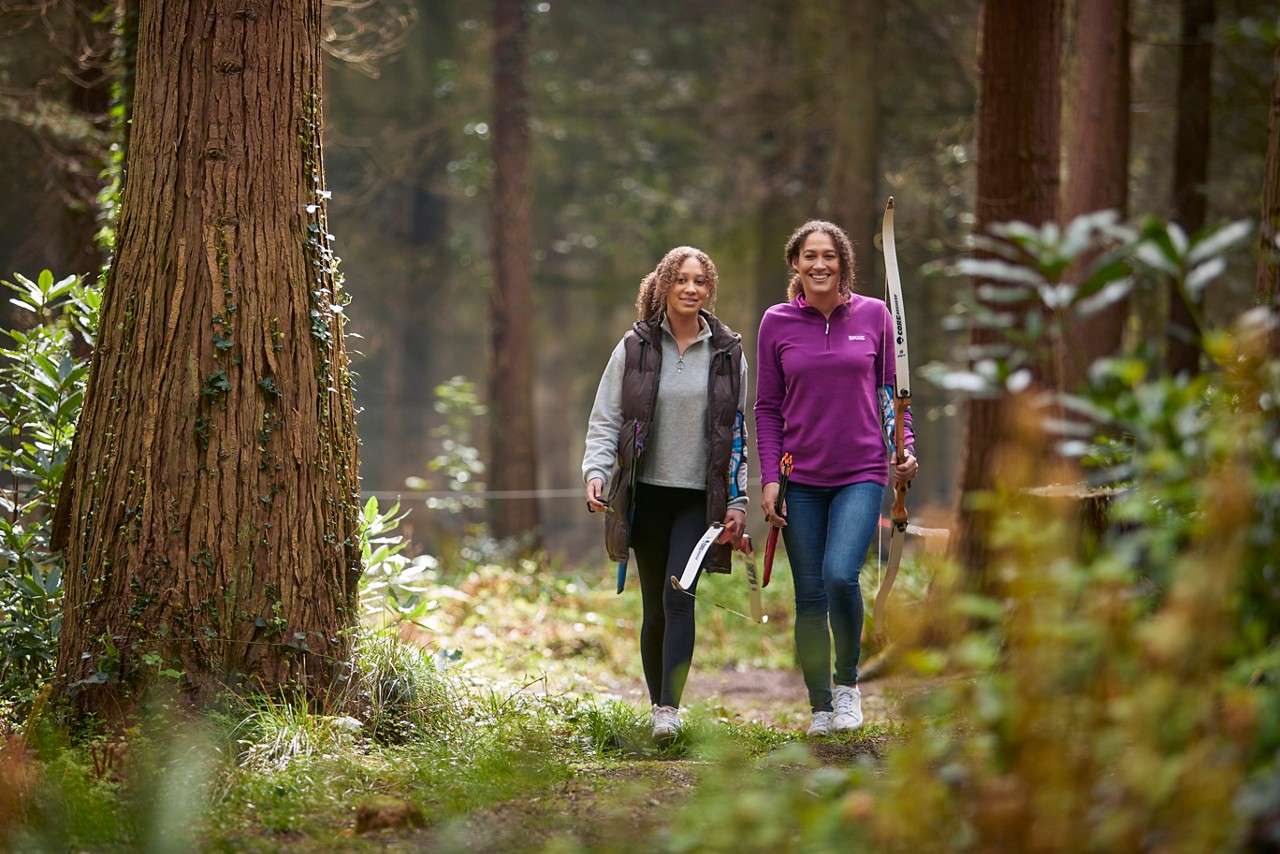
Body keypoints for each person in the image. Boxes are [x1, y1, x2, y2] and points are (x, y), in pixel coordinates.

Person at [754, 220, 919, 737]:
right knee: (808, 597)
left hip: (861, 470)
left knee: (840, 576)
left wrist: (904, 450)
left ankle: (847, 689)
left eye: (829, 256)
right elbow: (767, 407)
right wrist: (769, 476)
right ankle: (820, 707)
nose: (819, 265)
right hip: (799, 476)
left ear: (843, 263)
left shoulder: (873, 316)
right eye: (809, 257)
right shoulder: (776, 323)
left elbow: (894, 396)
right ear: (795, 264)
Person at [582, 246, 749, 742]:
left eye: (700, 281)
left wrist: (737, 500)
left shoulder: (727, 351)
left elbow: (736, 431)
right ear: (663, 286)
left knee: (681, 595)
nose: (692, 289)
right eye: (682, 280)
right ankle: (657, 706)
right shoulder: (634, 348)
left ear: (709, 289)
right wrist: (596, 471)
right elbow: (606, 418)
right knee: (654, 604)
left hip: (698, 498)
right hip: (645, 494)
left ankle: (670, 711)